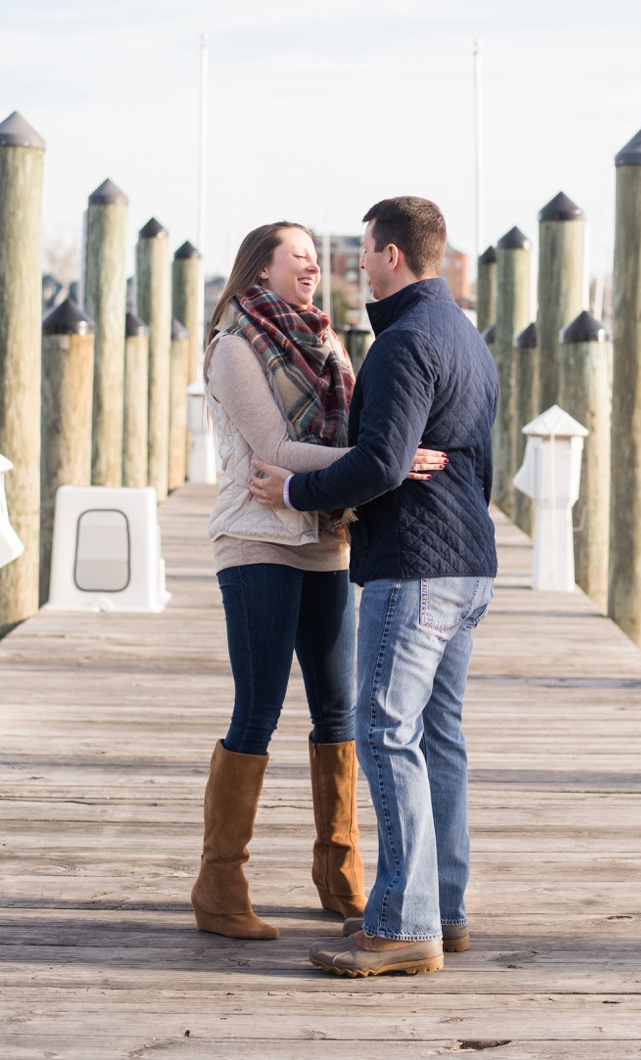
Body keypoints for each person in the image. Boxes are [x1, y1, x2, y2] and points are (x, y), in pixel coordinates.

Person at [248, 196, 499, 977]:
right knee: (439, 737)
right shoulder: (467, 337)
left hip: (415, 565)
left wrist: (289, 492)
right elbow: (457, 459)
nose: (357, 265)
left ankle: (403, 923)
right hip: (468, 562)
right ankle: (444, 909)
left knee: (386, 733)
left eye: (363, 251)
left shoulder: (401, 343)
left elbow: (383, 463)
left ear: (392, 256)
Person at [190, 220, 445, 941]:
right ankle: (219, 883)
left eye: (316, 258)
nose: (313, 267)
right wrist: (380, 463)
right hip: (257, 540)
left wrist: (382, 459)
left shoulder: (330, 342)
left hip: (325, 539)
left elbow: (363, 439)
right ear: (258, 272)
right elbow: (270, 448)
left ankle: (339, 873)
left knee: (339, 714)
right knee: (258, 712)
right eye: (297, 257)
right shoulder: (235, 347)